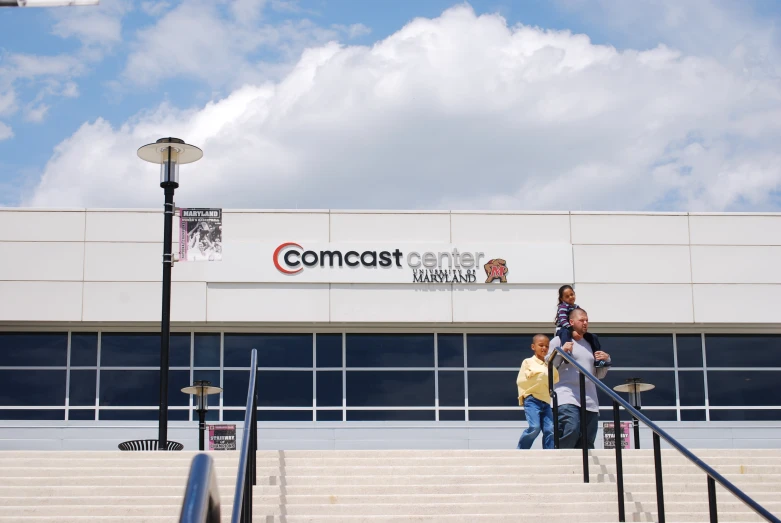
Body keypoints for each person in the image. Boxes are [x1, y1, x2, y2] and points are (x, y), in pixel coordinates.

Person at [547, 308, 611, 449]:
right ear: (571, 322)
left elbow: (598, 375)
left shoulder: (591, 344)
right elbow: (548, 367)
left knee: (587, 442)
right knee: (571, 429)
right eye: (581, 320)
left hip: (590, 399)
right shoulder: (559, 340)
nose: (585, 323)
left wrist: (606, 360)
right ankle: (561, 462)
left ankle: (581, 470)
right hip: (566, 396)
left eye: (587, 320)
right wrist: (561, 352)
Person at [516, 334, 559, 449]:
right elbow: (521, 381)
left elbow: (555, 378)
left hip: (545, 401)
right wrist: (523, 396)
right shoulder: (528, 362)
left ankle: (549, 453)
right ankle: (521, 450)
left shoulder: (549, 365)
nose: (544, 348)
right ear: (533, 347)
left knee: (550, 429)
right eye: (541, 345)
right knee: (535, 427)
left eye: (546, 346)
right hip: (532, 399)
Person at [554, 285, 609, 368]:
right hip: (564, 328)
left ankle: (598, 359)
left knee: (593, 337)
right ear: (562, 299)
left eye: (572, 294)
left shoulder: (576, 307)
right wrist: (572, 330)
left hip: (572, 329)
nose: (570, 297)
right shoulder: (563, 307)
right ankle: (566, 354)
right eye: (567, 296)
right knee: (565, 334)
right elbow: (562, 320)